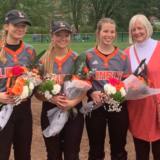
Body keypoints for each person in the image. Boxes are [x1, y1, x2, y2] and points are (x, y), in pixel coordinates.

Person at [35, 21, 85, 160]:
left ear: (70, 36)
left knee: (72, 155)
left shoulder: (78, 59)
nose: (63, 38)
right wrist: (51, 98)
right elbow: (37, 93)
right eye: (58, 35)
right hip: (50, 110)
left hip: (73, 111)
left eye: (66, 35)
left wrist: (72, 103)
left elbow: (84, 88)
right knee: (53, 155)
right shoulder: (43, 61)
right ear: (52, 36)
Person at [85, 18, 130, 160]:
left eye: (112, 31)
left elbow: (127, 83)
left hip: (117, 106)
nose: (109, 34)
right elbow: (82, 81)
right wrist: (91, 92)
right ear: (98, 33)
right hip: (95, 105)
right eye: (105, 31)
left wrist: (118, 94)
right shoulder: (88, 55)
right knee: (95, 148)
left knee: (119, 147)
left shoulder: (123, 56)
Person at [0, 10, 36, 160]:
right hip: (2, 108)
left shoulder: (30, 51)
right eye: (16, 25)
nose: (20, 29)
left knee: (23, 154)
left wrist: (29, 91)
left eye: (23, 26)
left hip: (23, 110)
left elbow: (35, 79)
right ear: (7, 26)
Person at [124, 14, 160, 160]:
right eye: (133, 29)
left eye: (140, 28)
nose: (137, 32)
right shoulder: (127, 52)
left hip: (157, 107)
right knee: (141, 153)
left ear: (147, 28)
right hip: (137, 108)